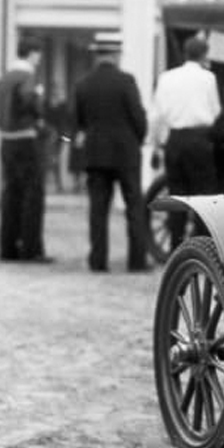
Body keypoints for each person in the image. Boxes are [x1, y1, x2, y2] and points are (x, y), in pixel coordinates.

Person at [72, 31, 150, 272]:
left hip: (96, 153)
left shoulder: (83, 83)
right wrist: (137, 140)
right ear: (116, 55)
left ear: (97, 55)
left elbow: (77, 122)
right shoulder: (126, 81)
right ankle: (136, 261)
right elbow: (138, 117)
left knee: (97, 210)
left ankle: (98, 260)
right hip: (126, 151)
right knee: (134, 207)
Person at [0, 36, 51, 262]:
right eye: (37, 54)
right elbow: (31, 100)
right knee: (33, 195)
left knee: (11, 193)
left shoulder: (4, 78)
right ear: (31, 53)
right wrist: (38, 117)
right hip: (26, 139)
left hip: (6, 140)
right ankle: (31, 249)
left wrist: (2, 118)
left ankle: (7, 248)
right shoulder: (27, 77)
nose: (39, 59)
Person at [149, 33, 222, 249]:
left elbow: (156, 115)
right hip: (199, 140)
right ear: (204, 56)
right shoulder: (208, 78)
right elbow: (215, 110)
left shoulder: (166, 78)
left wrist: (154, 146)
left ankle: (176, 247)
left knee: (177, 197)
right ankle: (200, 247)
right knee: (203, 198)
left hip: (175, 140)